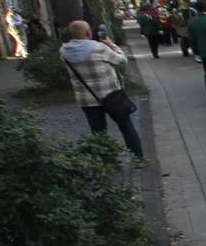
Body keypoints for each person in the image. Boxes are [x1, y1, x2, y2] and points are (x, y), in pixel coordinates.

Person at [61, 20, 144, 158]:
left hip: (86, 99)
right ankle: (138, 158)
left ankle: (108, 162)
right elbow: (122, 60)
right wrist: (111, 44)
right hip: (111, 96)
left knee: (98, 132)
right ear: (88, 33)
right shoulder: (99, 48)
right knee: (126, 127)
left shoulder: (64, 51)